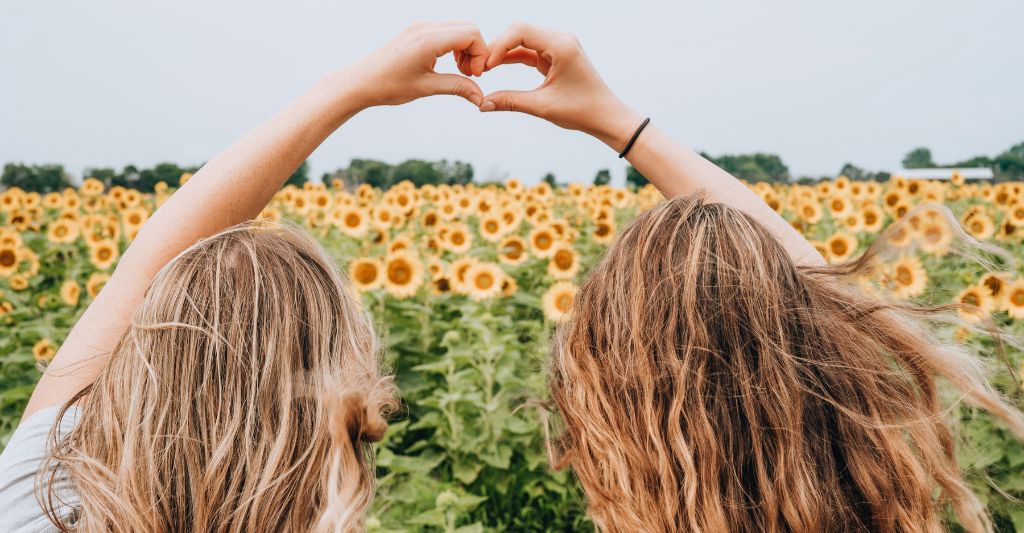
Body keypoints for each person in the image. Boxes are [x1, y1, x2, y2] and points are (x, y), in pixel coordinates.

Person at [474, 23, 1024, 533]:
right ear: (828, 377)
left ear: (614, 419)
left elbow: (819, 298)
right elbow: (821, 299)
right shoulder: (865, 505)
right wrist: (618, 120)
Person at [0, 20, 495, 532]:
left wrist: (346, 88)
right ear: (338, 427)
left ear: (135, 386)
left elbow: (141, 270)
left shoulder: (34, 510)